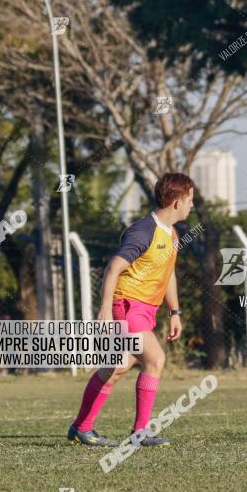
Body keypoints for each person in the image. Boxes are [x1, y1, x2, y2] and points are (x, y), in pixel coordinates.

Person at [67, 173, 194, 447]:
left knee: (118, 366)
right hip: (127, 305)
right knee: (155, 360)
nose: (191, 205)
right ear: (177, 201)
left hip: (143, 310)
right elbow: (114, 267)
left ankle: (81, 427)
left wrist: (175, 312)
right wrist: (104, 309)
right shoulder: (144, 230)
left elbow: (167, 274)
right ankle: (140, 432)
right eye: (190, 199)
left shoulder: (171, 234)